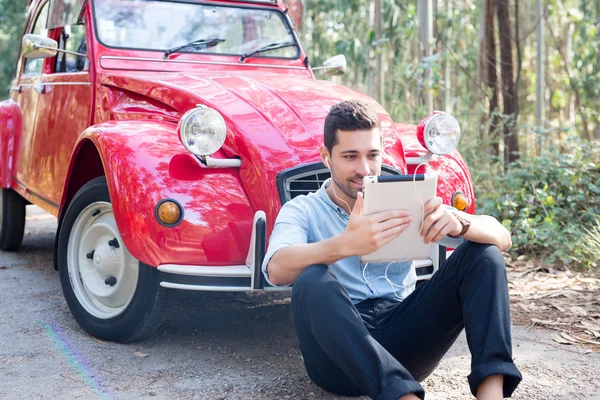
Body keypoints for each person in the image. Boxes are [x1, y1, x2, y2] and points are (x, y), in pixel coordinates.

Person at [261, 100, 522, 400]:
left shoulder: (406, 197)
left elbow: (502, 237)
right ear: (326, 157)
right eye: (350, 156)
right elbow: (277, 268)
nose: (364, 169)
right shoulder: (303, 209)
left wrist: (459, 224)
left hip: (403, 337)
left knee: (483, 254)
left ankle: (491, 395)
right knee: (311, 280)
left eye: (372, 155)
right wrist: (345, 245)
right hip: (337, 356)